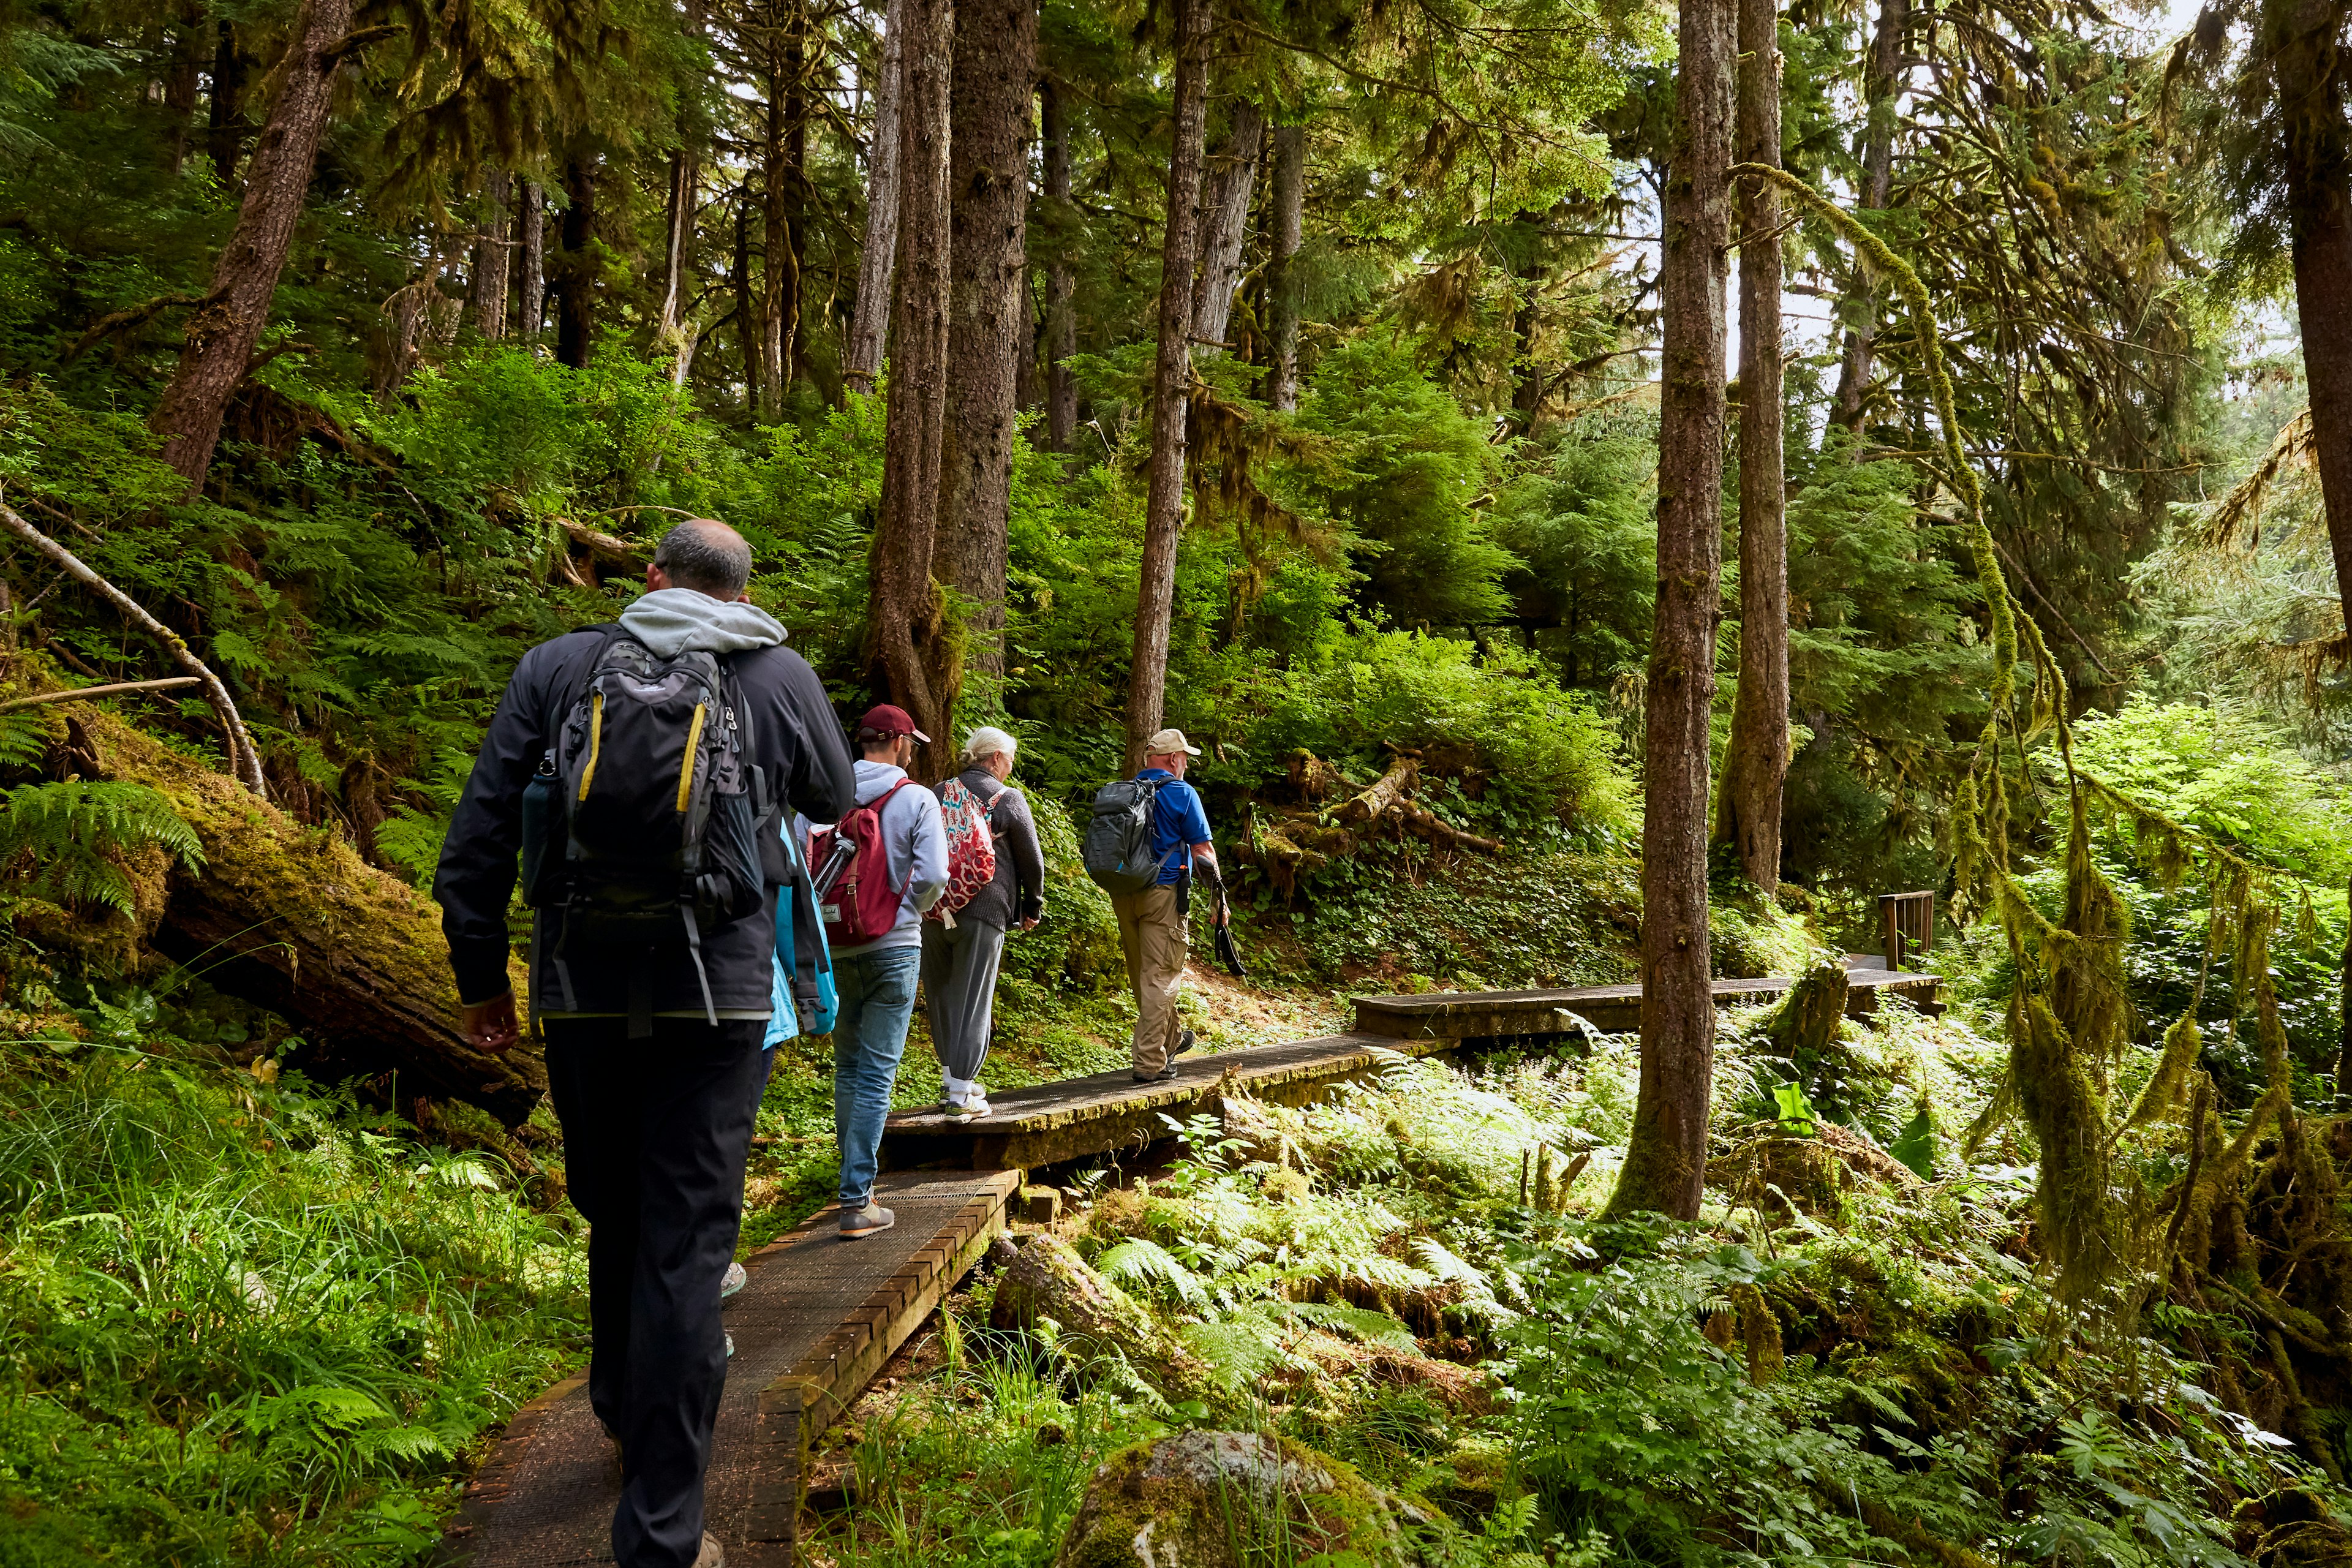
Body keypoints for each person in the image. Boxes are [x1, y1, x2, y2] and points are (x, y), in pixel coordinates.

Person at [435, 518, 855, 1568]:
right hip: (715, 1002)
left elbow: (480, 831)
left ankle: (625, 1409)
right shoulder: (778, 672)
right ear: (743, 593)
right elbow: (836, 797)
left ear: (656, 578)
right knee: (682, 1246)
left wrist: (480, 979)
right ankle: (664, 1534)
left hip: (578, 989)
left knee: (615, 1215)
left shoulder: (559, 666)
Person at [817, 704, 946, 1237]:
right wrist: (906, 910)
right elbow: (935, 872)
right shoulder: (916, 798)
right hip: (893, 947)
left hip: (836, 945)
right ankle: (856, 1200)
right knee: (875, 1073)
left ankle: (852, 1191)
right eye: (910, 741)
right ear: (897, 744)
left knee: (848, 1070)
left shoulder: (823, 796)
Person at [921, 726, 1046, 1119]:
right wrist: (1032, 904)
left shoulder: (937, 792)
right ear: (994, 759)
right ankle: (961, 1095)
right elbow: (1031, 859)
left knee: (940, 994)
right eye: (1009, 759)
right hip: (983, 910)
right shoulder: (1007, 798)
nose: (1011, 767)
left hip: (934, 909)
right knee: (974, 999)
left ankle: (953, 1079)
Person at [1111, 728, 1221, 1084]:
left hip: (1123, 892)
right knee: (1161, 976)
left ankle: (1170, 1040)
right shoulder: (1181, 793)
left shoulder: (1124, 792)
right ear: (1174, 759)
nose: (1186, 764)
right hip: (1162, 895)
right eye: (1185, 757)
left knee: (1144, 972)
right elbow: (1203, 853)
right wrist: (1219, 899)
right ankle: (1149, 1063)